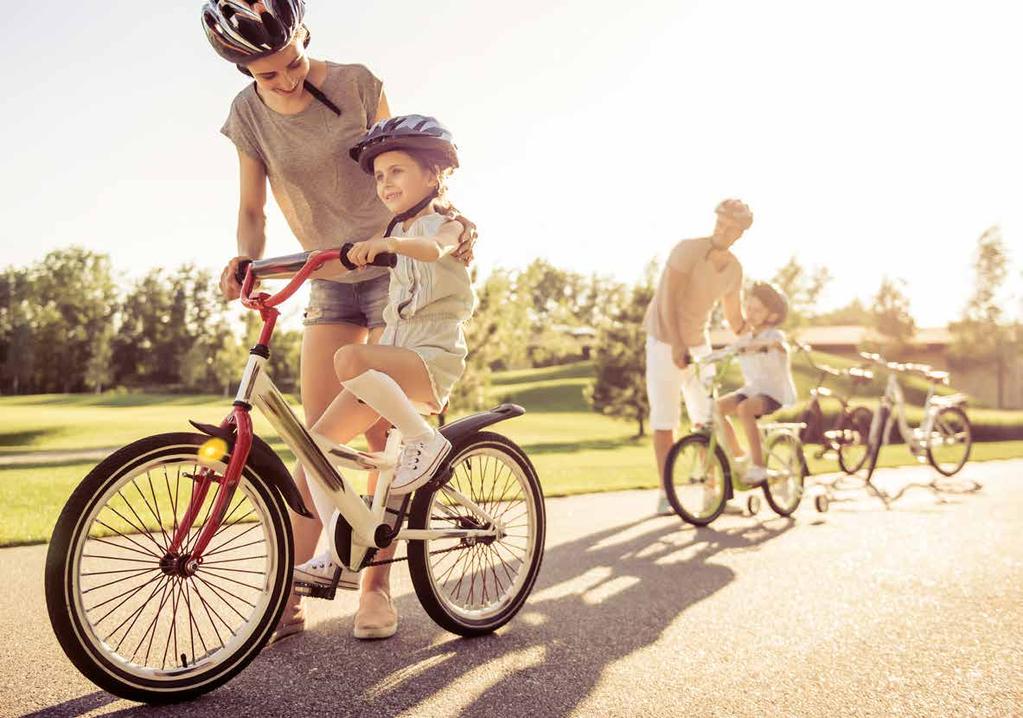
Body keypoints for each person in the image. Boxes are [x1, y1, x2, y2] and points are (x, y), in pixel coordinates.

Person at [201, 0, 477, 642]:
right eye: (269, 75)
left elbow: (403, 157)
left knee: (380, 434)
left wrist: (416, 240)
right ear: (245, 71)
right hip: (325, 278)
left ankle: (375, 592)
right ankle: (289, 594)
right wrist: (244, 258)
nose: (288, 80)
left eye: (293, 62)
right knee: (314, 439)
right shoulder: (247, 116)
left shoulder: (357, 83)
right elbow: (251, 206)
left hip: (395, 276)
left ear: (304, 40)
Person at [294, 114, 475, 639]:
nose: (386, 183)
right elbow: (351, 257)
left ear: (433, 173)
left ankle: (424, 439)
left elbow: (433, 249)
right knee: (315, 446)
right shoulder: (394, 229)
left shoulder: (451, 222)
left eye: (397, 170)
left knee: (351, 360)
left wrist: (387, 246)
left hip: (430, 356)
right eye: (378, 176)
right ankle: (335, 550)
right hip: (394, 352)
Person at [644, 199, 753, 514]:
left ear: (740, 233)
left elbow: (735, 320)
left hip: (699, 345)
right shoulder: (686, 250)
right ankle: (666, 496)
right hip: (664, 340)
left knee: (708, 419)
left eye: (730, 227)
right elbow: (667, 300)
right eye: (719, 222)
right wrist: (677, 344)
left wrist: (762, 335)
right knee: (665, 420)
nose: (722, 230)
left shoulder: (734, 269)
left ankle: (713, 495)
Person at [716, 281, 798, 485]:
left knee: (745, 409)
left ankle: (759, 467)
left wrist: (764, 345)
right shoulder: (747, 337)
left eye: (757, 310)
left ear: (772, 316)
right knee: (716, 408)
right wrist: (705, 358)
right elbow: (728, 350)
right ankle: (740, 455)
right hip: (753, 390)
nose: (749, 314)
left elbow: (781, 346)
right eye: (748, 308)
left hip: (774, 394)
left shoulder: (774, 335)